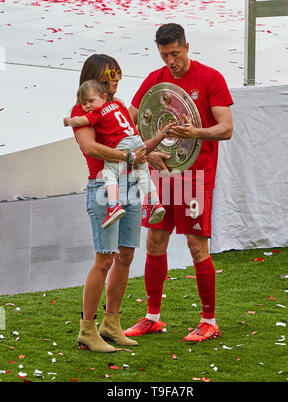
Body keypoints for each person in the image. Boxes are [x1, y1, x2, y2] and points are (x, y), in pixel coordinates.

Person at [124, 23, 234, 342]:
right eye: (164, 55)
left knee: (196, 245)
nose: (170, 62)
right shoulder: (155, 80)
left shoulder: (210, 78)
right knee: (155, 243)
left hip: (196, 175)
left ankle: (208, 321)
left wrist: (195, 133)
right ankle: (152, 318)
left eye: (174, 53)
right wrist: (147, 153)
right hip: (162, 176)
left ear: (187, 46)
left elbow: (226, 128)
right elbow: (130, 121)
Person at [69, 54, 148, 353]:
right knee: (104, 259)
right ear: (96, 76)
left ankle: (111, 323)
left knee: (125, 256)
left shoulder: (117, 106)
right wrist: (129, 157)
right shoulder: (81, 111)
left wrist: (153, 150)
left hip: (130, 184)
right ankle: (87, 330)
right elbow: (90, 147)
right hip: (104, 187)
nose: (116, 79)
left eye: (118, 73)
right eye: (111, 74)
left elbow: (134, 141)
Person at [64, 80, 166, 229]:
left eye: (91, 101)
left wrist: (68, 121)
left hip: (122, 144)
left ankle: (113, 206)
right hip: (135, 139)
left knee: (109, 173)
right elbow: (128, 116)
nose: (87, 106)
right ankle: (155, 203)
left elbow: (80, 121)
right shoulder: (118, 105)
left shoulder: (98, 113)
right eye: (84, 104)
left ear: (104, 98)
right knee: (143, 173)